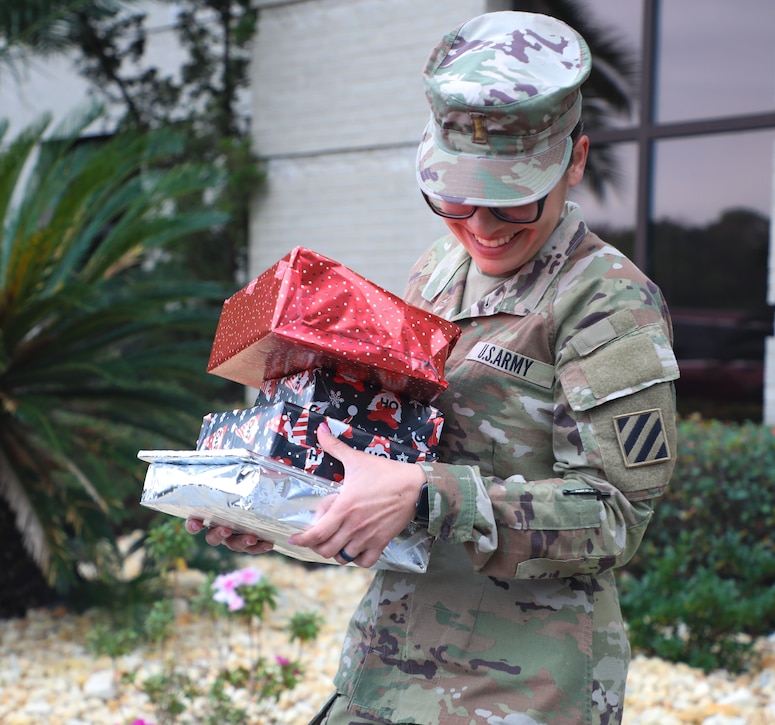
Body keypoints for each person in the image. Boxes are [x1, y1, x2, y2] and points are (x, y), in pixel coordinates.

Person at [187, 11, 679, 725]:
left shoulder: (607, 302)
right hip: (389, 665)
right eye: (453, 196)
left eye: (513, 198)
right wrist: (278, 506)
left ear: (574, 161)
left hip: (518, 687)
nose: (480, 225)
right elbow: (393, 453)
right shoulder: (438, 271)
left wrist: (428, 493)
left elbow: (612, 518)